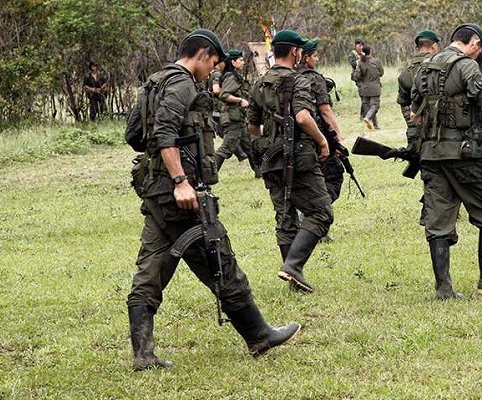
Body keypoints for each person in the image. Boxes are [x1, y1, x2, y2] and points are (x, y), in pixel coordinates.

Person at [125, 29, 300, 370]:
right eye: (214, 64)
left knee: (151, 269)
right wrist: (180, 180)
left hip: (156, 193)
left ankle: (143, 354)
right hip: (182, 195)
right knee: (220, 260)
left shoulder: (153, 83)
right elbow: (163, 133)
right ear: (203, 54)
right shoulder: (182, 83)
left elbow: (134, 135)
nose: (214, 72)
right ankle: (259, 335)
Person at [410, 24, 482, 299]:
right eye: (479, 48)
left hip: (431, 155)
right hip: (465, 153)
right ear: (474, 43)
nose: (479, 53)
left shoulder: (425, 67)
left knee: (438, 219)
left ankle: (443, 288)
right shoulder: (467, 66)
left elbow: (416, 116)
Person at [248, 29, 334, 294]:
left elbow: (252, 126)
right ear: (295, 52)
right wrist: (322, 141)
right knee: (321, 212)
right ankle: (293, 266)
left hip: (271, 158)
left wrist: (267, 147)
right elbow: (303, 118)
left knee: (285, 216)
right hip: (300, 157)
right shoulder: (298, 81)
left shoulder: (259, 83)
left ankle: (293, 276)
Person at [297, 39, 345, 212]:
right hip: (317, 135)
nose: (317, 59)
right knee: (332, 177)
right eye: (315, 56)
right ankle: (315, 217)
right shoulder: (314, 78)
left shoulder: (289, 77)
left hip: (294, 140)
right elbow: (325, 111)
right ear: (306, 57)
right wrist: (338, 138)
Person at [214, 49, 260, 176]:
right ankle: (210, 174)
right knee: (227, 148)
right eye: (240, 60)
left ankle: (259, 171)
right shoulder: (231, 77)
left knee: (249, 146)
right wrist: (240, 100)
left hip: (239, 119)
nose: (243, 62)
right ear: (233, 62)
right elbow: (224, 95)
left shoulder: (234, 75)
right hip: (232, 119)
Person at [398, 30, 440, 150]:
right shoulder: (441, 68)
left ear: (417, 48)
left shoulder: (405, 73)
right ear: (434, 46)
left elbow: (404, 104)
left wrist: (412, 124)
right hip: (440, 129)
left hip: (416, 130)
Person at [352, 44, 384, 129]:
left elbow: (356, 77)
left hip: (364, 89)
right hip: (375, 88)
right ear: (370, 51)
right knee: (374, 106)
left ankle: (375, 125)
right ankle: (367, 118)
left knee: (369, 107)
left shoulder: (360, 63)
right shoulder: (376, 61)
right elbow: (381, 73)